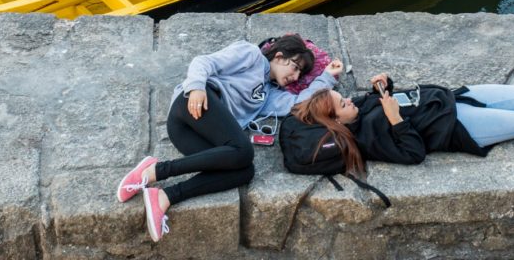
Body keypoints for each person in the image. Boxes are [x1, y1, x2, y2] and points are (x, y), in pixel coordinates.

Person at [115, 34, 343, 242]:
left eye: (300, 75)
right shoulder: (251, 55)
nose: (294, 77)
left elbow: (298, 103)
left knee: (244, 171)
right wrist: (196, 87)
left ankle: (165, 196)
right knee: (244, 151)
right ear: (279, 56)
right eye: (294, 68)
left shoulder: (268, 95)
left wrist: (327, 78)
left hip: (196, 134)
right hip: (193, 105)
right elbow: (204, 62)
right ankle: (156, 172)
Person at [292, 72, 514, 175]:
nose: (348, 100)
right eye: (343, 104)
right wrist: (396, 121)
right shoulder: (369, 137)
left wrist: (383, 87)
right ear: (338, 121)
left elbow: (390, 101)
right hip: (459, 126)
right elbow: (414, 153)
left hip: (452, 97)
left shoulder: (358, 110)